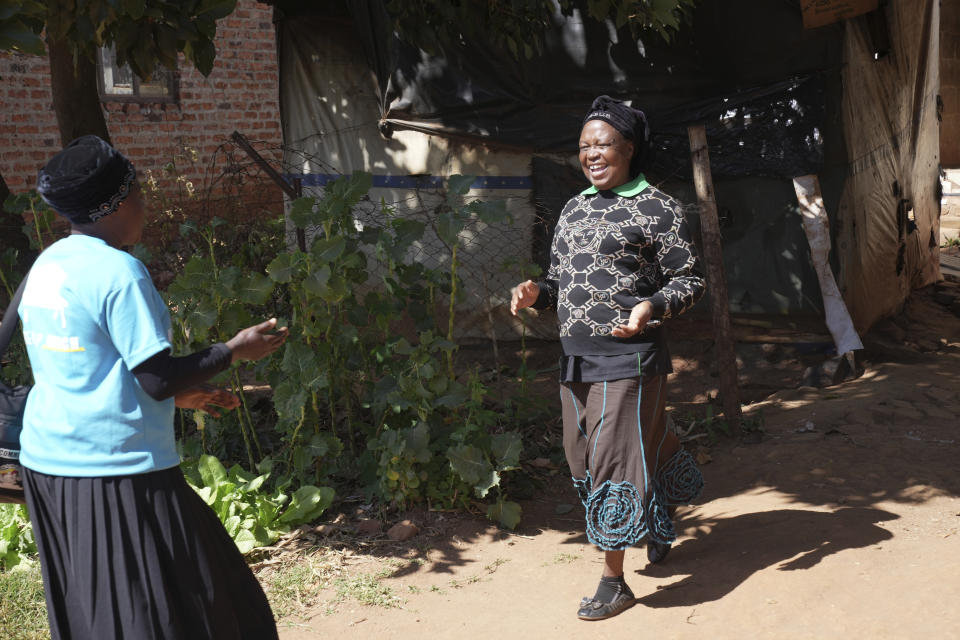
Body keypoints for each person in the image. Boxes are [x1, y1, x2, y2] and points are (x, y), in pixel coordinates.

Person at [19, 135, 289, 639]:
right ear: (115, 205)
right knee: (191, 609)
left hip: (50, 465)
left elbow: (87, 365)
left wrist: (184, 393)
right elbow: (157, 378)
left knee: (98, 608)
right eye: (137, 195)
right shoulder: (119, 272)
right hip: (116, 471)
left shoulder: (49, 264)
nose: (145, 205)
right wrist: (234, 349)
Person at [511, 96, 706, 621]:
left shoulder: (660, 208)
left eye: (602, 144)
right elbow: (563, 282)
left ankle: (614, 580)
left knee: (611, 463)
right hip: (576, 355)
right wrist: (538, 293)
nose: (591, 154)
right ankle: (662, 502)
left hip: (631, 355)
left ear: (629, 148)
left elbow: (690, 281)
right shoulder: (574, 208)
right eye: (583, 146)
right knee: (580, 457)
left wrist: (651, 306)